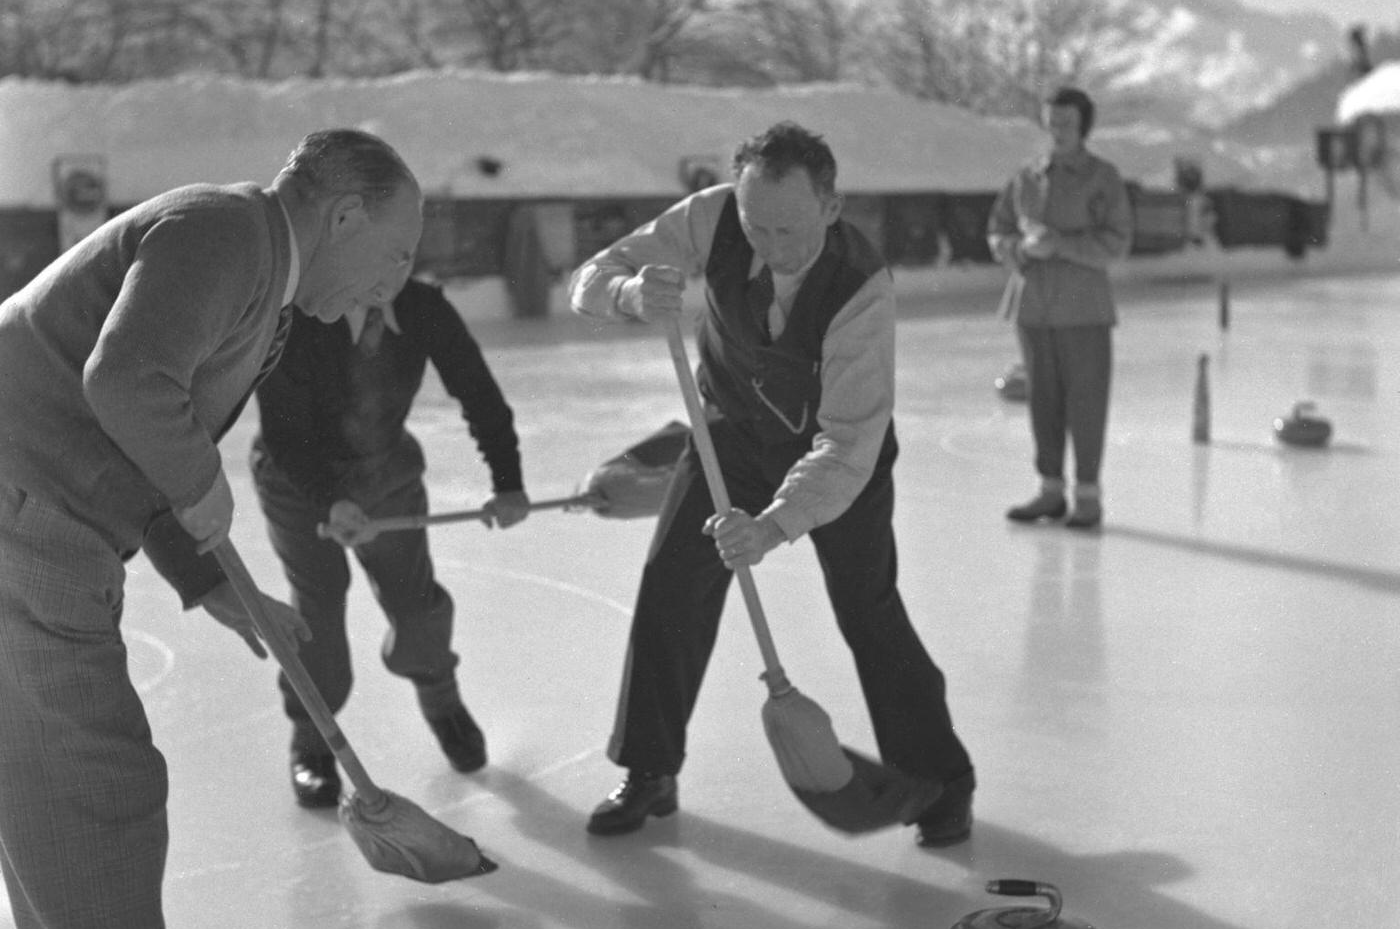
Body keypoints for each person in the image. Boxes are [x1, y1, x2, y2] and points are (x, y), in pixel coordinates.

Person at [0, 128, 422, 929]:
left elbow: (136, 442)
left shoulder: (256, 275)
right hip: (25, 510)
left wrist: (217, 587)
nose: (393, 286)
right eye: (398, 255)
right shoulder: (225, 232)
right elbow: (126, 383)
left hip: (38, 503)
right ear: (345, 214)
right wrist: (209, 496)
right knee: (96, 770)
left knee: (44, 762)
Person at [569, 120, 975, 848]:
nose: (771, 245)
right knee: (672, 585)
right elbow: (590, 279)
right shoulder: (713, 216)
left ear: (830, 206)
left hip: (833, 455)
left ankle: (940, 781)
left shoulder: (860, 289)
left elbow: (848, 444)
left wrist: (774, 524)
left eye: (790, 229)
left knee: (868, 609)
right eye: (757, 227)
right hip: (728, 435)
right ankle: (649, 769)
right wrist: (629, 294)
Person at [250, 277, 530, 808]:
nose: (395, 263)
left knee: (415, 602)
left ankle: (442, 702)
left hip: (386, 475)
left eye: (407, 249)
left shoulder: (423, 307)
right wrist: (331, 501)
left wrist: (508, 481)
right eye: (383, 246)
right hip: (297, 482)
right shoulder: (298, 315)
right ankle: (311, 738)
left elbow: (478, 392)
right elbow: (285, 432)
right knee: (319, 606)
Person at [989, 86, 1132, 531]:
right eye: (1052, 122)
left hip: (1083, 309)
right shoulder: (1026, 177)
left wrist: (1060, 245)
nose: (1058, 130)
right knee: (1043, 402)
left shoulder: (1103, 177)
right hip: (1033, 308)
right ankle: (1050, 490)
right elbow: (998, 230)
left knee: (1086, 403)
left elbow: (1116, 242)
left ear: (1084, 125)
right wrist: (1018, 249)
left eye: (1067, 123)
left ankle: (1087, 495)